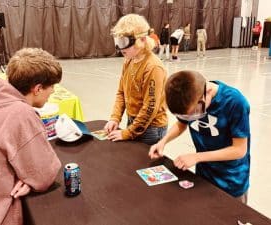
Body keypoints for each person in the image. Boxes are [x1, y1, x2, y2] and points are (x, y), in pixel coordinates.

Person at [0, 48, 62, 224]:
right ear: (37, 88)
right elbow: (44, 175)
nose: (52, 91)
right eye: (51, 86)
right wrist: (30, 178)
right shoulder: (21, 113)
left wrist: (27, 178)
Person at [149, 70, 250, 204]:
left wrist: (197, 157)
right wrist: (163, 141)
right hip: (203, 176)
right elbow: (181, 124)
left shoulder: (235, 102)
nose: (191, 118)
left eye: (194, 113)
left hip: (231, 180)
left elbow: (239, 150)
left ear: (207, 91)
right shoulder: (190, 98)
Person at [105, 14, 168, 145]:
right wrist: (115, 118)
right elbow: (121, 92)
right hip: (134, 120)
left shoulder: (153, 67)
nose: (120, 48)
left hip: (152, 127)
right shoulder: (129, 60)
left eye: (124, 42)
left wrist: (129, 132)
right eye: (118, 42)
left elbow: (150, 108)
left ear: (142, 40)